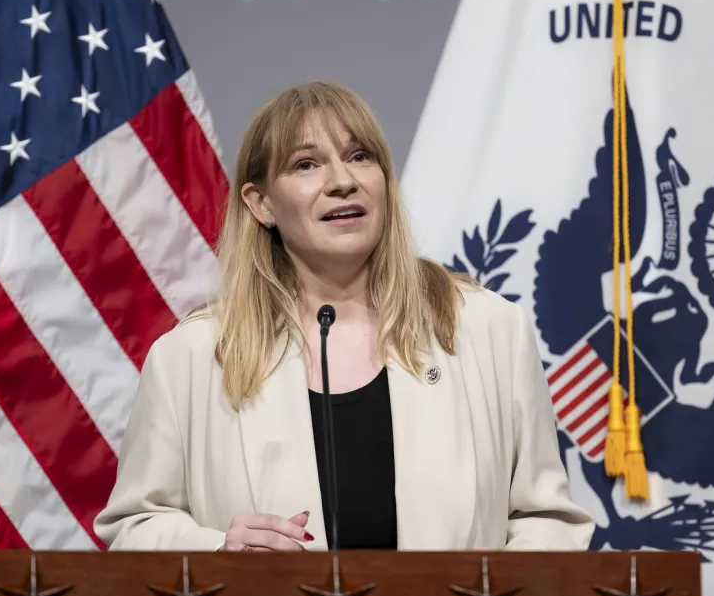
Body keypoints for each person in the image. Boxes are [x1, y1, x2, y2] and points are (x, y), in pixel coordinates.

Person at [94, 81, 595, 552]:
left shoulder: (487, 330)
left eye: (360, 157)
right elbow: (134, 526)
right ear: (262, 203)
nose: (342, 182)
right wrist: (217, 548)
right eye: (306, 165)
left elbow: (546, 521)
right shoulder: (191, 357)